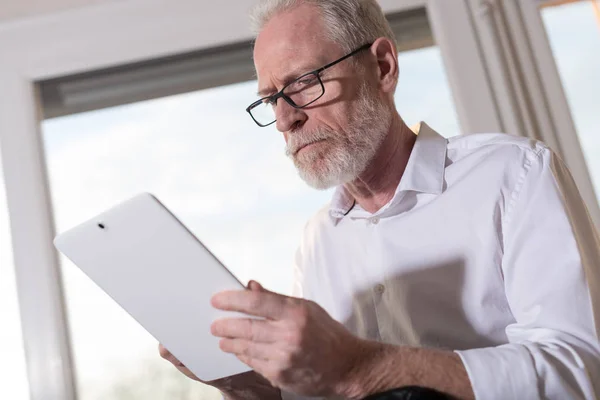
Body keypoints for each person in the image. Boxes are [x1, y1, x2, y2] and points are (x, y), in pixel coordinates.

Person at [159, 0, 600, 399]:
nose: (285, 119)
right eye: (271, 99)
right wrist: (247, 385)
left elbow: (581, 372)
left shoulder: (513, 173)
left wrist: (365, 367)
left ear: (383, 67)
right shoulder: (317, 242)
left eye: (305, 83)